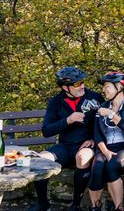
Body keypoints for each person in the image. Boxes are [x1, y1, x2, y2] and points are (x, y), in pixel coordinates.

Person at [30, 67, 104, 211]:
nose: (82, 86)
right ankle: (43, 204)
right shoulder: (56, 102)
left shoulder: (95, 97)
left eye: (82, 82)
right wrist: (67, 120)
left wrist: (94, 139)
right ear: (65, 87)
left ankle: (75, 205)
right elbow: (46, 131)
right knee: (40, 160)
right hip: (64, 146)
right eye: (77, 84)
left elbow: (104, 124)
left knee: (83, 157)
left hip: (85, 145)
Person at [88, 71, 124, 211]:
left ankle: (119, 207)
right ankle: (95, 206)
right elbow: (97, 133)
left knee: (112, 167)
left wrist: (111, 114)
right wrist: (105, 151)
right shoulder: (102, 106)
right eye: (104, 87)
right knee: (97, 166)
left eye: (107, 86)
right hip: (105, 147)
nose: (104, 90)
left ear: (119, 87)